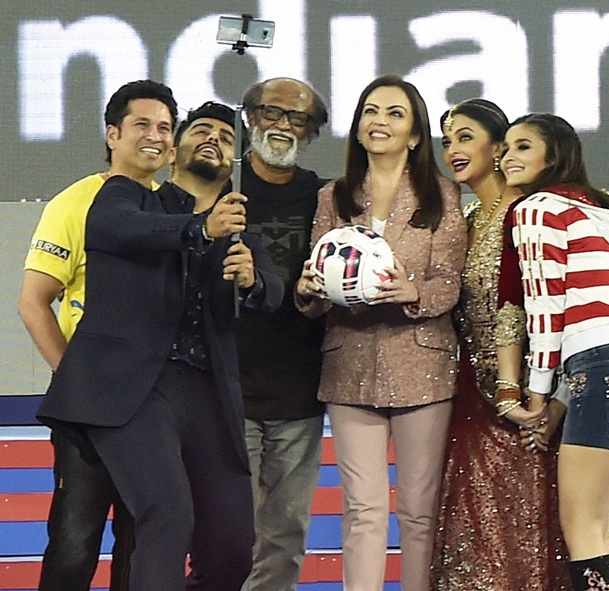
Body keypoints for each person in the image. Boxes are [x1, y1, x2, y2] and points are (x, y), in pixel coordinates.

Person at [36, 88, 284, 591]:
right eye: (200, 131)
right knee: (162, 518)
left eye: (225, 136)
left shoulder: (238, 230)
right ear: (174, 153)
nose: (214, 140)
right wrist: (200, 228)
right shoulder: (128, 197)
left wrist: (252, 280)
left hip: (208, 394)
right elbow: (118, 228)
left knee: (233, 544)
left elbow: (273, 292)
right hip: (135, 391)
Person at [296, 74, 467, 591]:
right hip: (349, 365)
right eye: (371, 111)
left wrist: (412, 291)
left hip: (424, 367)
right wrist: (309, 287)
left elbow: (449, 285)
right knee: (363, 510)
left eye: (395, 113)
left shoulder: (442, 195)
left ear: (415, 134)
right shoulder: (336, 195)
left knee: (418, 513)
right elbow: (315, 290)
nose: (380, 121)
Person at [17, 79, 175, 591]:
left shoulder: (177, 209)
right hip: (88, 411)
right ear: (112, 133)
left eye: (165, 128)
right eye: (141, 125)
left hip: (155, 408)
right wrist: (78, 377)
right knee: (74, 540)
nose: (154, 137)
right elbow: (33, 302)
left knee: (144, 543)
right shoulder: (75, 203)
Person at [503, 113, 609, 590]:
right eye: (506, 147)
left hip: (601, 371)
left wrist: (534, 396)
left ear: (553, 158)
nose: (508, 156)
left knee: (584, 534)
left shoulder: (536, 210)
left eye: (523, 147)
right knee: (600, 530)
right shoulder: (593, 214)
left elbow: (545, 310)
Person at [429, 99, 571, 590]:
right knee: (473, 542)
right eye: (447, 142)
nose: (453, 150)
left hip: (531, 403)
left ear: (499, 147)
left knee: (528, 536)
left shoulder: (530, 212)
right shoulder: (467, 221)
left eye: (466, 138)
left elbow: (563, 308)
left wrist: (551, 399)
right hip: (475, 400)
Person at [235, 77, 329, 591]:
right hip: (227, 386)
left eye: (298, 118)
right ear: (249, 117)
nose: (283, 125)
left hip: (300, 389)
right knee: (230, 528)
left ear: (311, 132)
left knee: (287, 530)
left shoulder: (325, 197)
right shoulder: (222, 190)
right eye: (272, 112)